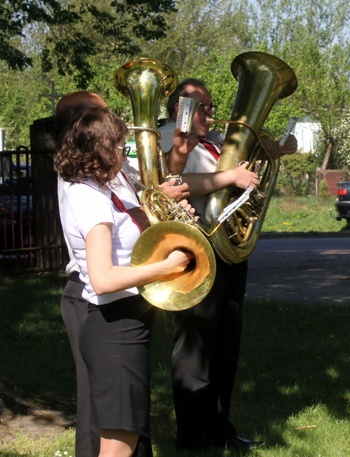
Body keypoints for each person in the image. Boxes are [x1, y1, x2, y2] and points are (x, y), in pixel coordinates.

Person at [158, 78, 297, 451]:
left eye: (209, 108)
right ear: (180, 109)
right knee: (195, 346)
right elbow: (175, 183)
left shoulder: (216, 140)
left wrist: (275, 151)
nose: (210, 114)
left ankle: (221, 427)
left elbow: (252, 155)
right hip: (194, 251)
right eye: (203, 107)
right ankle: (192, 435)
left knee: (225, 343)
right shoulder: (168, 137)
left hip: (228, 249)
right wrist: (231, 175)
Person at [54, 91, 190, 457]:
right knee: (118, 448)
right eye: (119, 146)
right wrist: (166, 267)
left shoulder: (96, 189)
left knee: (131, 440)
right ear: (100, 149)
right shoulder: (91, 199)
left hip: (124, 323)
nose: (123, 153)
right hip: (113, 328)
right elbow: (103, 278)